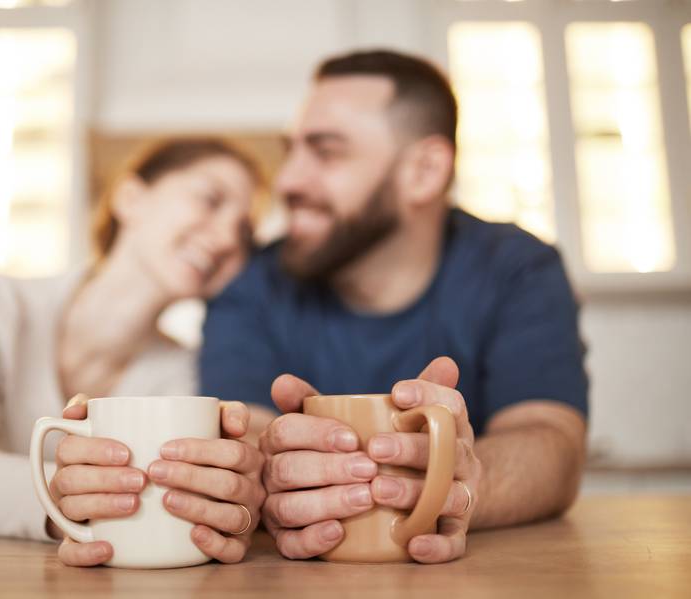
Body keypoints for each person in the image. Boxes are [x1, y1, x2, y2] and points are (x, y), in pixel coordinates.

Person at [200, 50, 589, 564]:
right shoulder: (250, 284)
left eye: (327, 152)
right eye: (291, 151)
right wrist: (264, 472)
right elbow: (242, 428)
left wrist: (465, 480)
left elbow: (552, 441)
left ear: (424, 171)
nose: (288, 181)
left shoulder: (516, 268)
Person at [0, 137, 270, 566]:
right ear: (131, 198)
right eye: (210, 199)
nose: (225, 238)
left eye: (244, 232)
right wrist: (67, 499)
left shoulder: (181, 371)